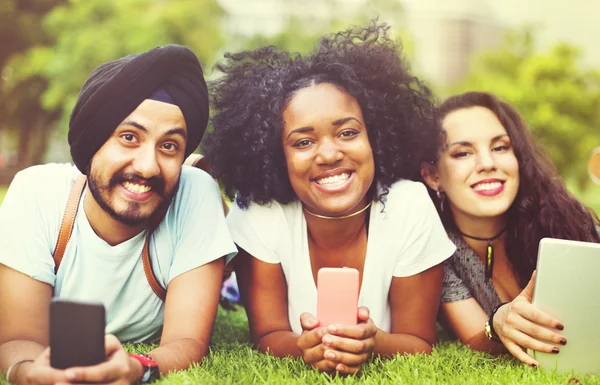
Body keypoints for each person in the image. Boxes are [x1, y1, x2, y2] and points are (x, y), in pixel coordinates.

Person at [204, 21, 456, 375]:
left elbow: (418, 342)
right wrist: (305, 348)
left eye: (348, 132)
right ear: (277, 154)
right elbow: (268, 334)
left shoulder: (408, 205)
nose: (328, 154)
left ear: (376, 136)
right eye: (303, 142)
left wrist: (373, 343)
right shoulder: (262, 213)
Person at [0, 45, 237, 384]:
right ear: (93, 142)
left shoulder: (194, 191)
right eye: (128, 137)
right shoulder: (37, 192)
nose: (147, 166)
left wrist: (137, 367)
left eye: (169, 146)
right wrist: (28, 373)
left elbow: (187, 341)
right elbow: (19, 339)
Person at [421, 91, 600, 367]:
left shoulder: (558, 215)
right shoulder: (435, 246)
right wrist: (498, 321)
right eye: (463, 153)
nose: (488, 164)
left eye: (500, 147)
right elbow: (475, 335)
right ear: (433, 177)